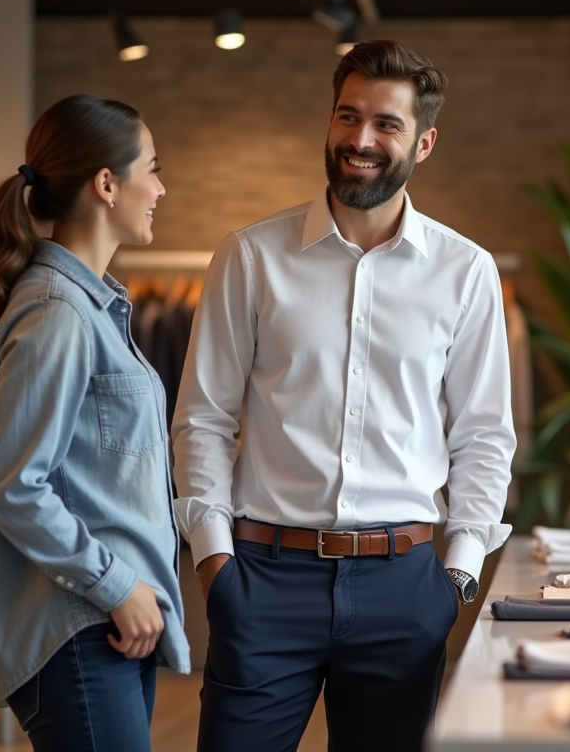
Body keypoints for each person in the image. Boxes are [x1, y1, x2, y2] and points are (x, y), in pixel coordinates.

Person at [172, 39, 516, 752]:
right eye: (347, 117)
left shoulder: (466, 272)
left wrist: (457, 573)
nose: (361, 140)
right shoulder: (250, 256)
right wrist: (213, 562)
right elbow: (202, 418)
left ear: (424, 142)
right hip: (262, 579)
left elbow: (483, 435)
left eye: (386, 124)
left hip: (406, 586)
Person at [0, 94, 190, 752]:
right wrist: (118, 585)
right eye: (152, 168)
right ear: (107, 184)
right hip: (80, 627)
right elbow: (15, 486)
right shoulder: (58, 312)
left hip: (107, 622)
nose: (160, 188)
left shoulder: (86, 306)